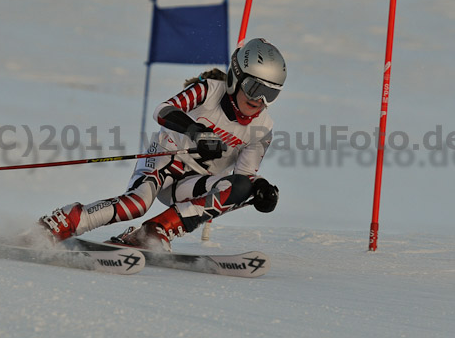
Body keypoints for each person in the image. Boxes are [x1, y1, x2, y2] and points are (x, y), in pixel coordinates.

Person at [39, 38, 286, 251]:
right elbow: (163, 110)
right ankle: (64, 222)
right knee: (136, 204)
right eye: (254, 88)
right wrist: (197, 133)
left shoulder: (262, 129)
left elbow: (242, 178)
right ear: (236, 77)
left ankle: (153, 232)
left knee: (244, 187)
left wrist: (262, 190)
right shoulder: (209, 90)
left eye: (270, 94)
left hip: (193, 185)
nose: (260, 100)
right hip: (165, 160)